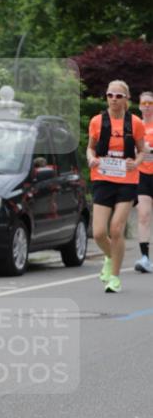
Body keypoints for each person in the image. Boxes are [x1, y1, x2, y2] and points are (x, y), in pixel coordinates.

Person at [86, 80, 146, 293]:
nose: (114, 99)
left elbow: (142, 150)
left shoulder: (135, 123)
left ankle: (115, 278)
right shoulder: (97, 121)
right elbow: (90, 148)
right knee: (100, 232)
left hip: (127, 181)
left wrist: (136, 163)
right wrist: (91, 159)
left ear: (126, 99)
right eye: (110, 95)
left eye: (119, 96)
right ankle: (111, 256)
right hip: (103, 178)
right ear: (106, 97)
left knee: (116, 228)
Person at [134, 90, 153, 273]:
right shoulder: (135, 126)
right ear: (139, 106)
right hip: (143, 175)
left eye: (150, 103)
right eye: (144, 103)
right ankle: (145, 257)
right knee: (144, 215)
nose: (147, 107)